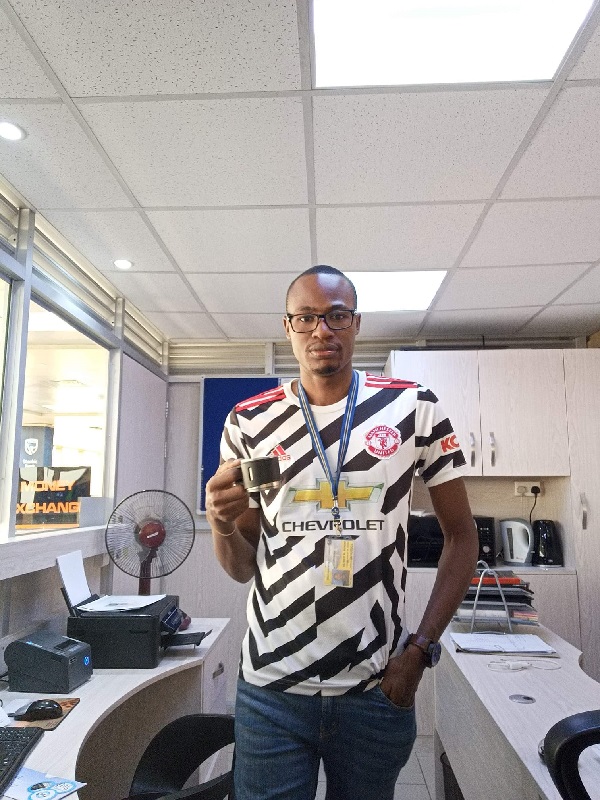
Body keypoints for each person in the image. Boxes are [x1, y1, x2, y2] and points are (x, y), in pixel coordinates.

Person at [205, 265, 479, 800]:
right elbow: (242, 567)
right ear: (287, 326)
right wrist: (219, 524)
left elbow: (462, 537)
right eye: (305, 317)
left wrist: (420, 651)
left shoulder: (414, 407)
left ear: (356, 323)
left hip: (376, 685)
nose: (321, 330)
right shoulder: (248, 422)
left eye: (336, 316)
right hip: (272, 687)